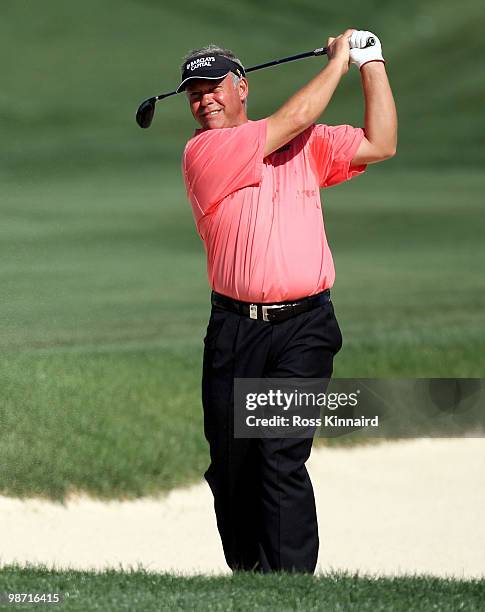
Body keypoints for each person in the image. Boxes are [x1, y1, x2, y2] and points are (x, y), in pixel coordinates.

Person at [180, 29, 397, 573]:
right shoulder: (205, 151)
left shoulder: (306, 144)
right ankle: (251, 577)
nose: (204, 98)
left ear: (242, 88)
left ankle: (291, 586)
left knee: (279, 451)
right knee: (233, 465)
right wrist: (338, 61)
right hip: (235, 331)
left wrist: (371, 61)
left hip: (305, 327)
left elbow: (382, 143)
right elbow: (294, 119)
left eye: (214, 86)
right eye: (194, 91)